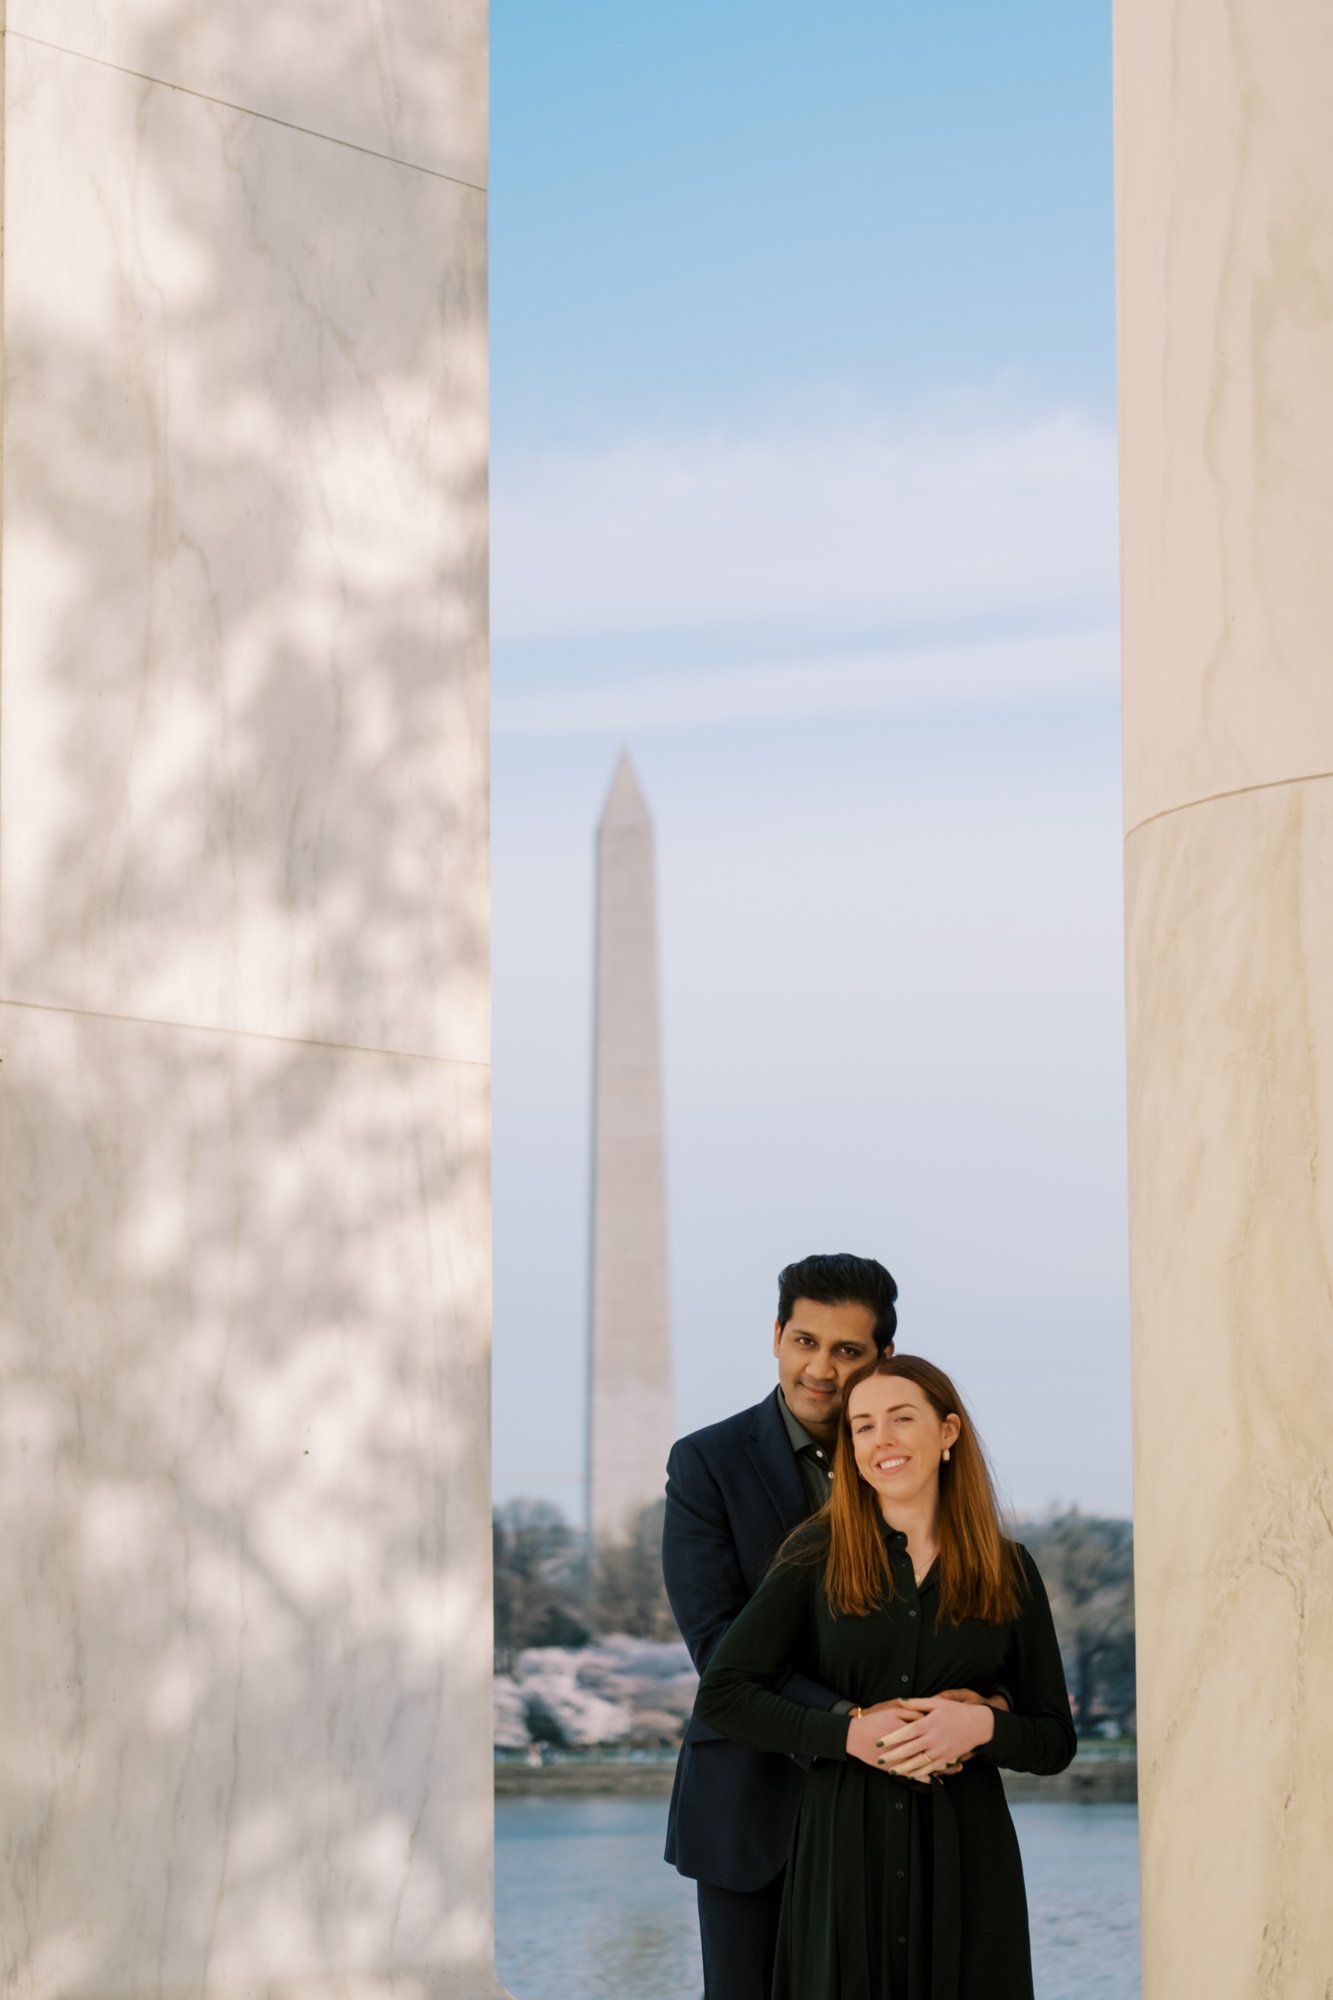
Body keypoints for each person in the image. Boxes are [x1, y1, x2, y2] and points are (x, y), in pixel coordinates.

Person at [694, 1354, 1076, 2000]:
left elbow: (1052, 1739)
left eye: (901, 1419)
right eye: (863, 1427)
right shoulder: (813, 1556)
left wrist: (979, 1725)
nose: (882, 1441)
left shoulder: (1009, 1568)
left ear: (948, 1432)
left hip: (967, 1862)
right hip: (844, 1852)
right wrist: (846, 1734)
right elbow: (724, 1695)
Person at [661, 1253, 901, 2000]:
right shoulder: (706, 1464)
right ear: (775, 1335)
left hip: (889, 1803)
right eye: (805, 1342)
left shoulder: (912, 1465)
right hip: (749, 1801)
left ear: (883, 1357)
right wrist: (852, 1723)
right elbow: (719, 1647)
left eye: (846, 1350)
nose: (821, 1369)